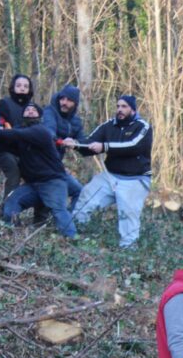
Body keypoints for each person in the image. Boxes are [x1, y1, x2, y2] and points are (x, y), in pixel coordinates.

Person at [65, 94, 152, 249]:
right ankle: (74, 237)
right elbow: (91, 142)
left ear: (132, 109)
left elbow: (133, 146)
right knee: (86, 198)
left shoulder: (143, 126)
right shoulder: (108, 125)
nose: (120, 110)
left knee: (128, 218)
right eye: (118, 106)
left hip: (134, 180)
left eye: (124, 107)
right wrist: (76, 144)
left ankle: (128, 252)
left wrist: (105, 147)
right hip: (110, 176)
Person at [0, 103, 75, 238]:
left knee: (59, 211)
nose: (30, 111)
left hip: (52, 182)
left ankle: (72, 238)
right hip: (32, 185)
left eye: (34, 110)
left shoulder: (41, 131)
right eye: (27, 109)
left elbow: (15, 135)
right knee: (11, 203)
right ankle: (12, 234)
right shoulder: (20, 136)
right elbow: (2, 146)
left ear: (40, 116)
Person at [0, 74, 35, 199]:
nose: (22, 88)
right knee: (14, 173)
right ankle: (8, 211)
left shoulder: (32, 108)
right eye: (19, 85)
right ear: (13, 87)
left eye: (25, 86)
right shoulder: (4, 103)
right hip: (4, 149)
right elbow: (3, 127)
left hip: (24, 151)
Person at [41, 84, 85, 204]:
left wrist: (75, 143)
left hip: (56, 166)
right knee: (55, 200)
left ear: (75, 103)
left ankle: (73, 220)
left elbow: (84, 142)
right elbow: (48, 132)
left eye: (69, 100)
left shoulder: (75, 121)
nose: (64, 103)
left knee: (79, 192)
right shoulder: (49, 112)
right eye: (62, 99)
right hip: (43, 163)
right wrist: (60, 141)